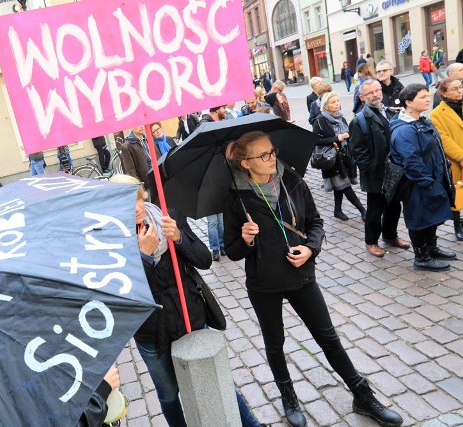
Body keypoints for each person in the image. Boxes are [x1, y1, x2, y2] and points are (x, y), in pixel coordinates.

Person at [223, 131, 403, 427]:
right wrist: (246, 239)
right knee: (275, 343)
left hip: (301, 275)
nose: (272, 159)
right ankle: (288, 396)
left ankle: (362, 394)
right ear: (245, 163)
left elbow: (316, 224)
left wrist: (310, 248)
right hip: (263, 284)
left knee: (328, 337)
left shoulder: (292, 181)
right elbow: (233, 252)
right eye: (263, 155)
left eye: (272, 151)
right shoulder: (237, 199)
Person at [109, 174, 264, 427]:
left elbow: (203, 259)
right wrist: (144, 256)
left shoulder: (168, 216)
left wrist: (179, 237)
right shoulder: (113, 240)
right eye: (124, 203)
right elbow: (125, 293)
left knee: (213, 376)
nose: (135, 207)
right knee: (169, 394)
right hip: (152, 331)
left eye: (136, 198)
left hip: (188, 314)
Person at [389, 84, 456, 271]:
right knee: (419, 218)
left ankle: (431, 248)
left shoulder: (423, 121)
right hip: (418, 184)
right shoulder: (404, 130)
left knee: (432, 215)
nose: (428, 99)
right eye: (422, 97)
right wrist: (428, 183)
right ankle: (422, 257)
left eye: (428, 95)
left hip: (434, 178)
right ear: (409, 103)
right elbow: (412, 162)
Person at [348, 79, 411, 257]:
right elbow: (357, 151)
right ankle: (371, 241)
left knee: (394, 207)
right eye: (370, 93)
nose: (375, 95)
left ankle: (390, 236)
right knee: (375, 210)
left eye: (377, 90)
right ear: (362, 97)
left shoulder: (390, 111)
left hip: (395, 170)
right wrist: (371, 168)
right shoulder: (360, 120)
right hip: (376, 173)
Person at [313, 92, 366, 221]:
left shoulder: (341, 118)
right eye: (333, 102)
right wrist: (337, 138)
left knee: (340, 186)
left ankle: (337, 210)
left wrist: (349, 136)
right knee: (345, 185)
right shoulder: (320, 121)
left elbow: (348, 133)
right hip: (331, 158)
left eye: (337, 101)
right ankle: (363, 210)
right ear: (325, 105)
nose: (337, 104)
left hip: (344, 157)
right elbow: (315, 141)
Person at [430, 77, 463, 241]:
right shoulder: (437, 114)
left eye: (460, 87)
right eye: (455, 89)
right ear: (443, 93)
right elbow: (443, 138)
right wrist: (461, 157)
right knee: (457, 193)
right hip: (455, 161)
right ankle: (458, 224)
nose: (459, 91)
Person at [200, 107, 227, 260]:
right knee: (212, 222)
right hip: (207, 187)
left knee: (221, 221)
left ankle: (222, 246)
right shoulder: (206, 126)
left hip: (218, 186)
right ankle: (215, 249)